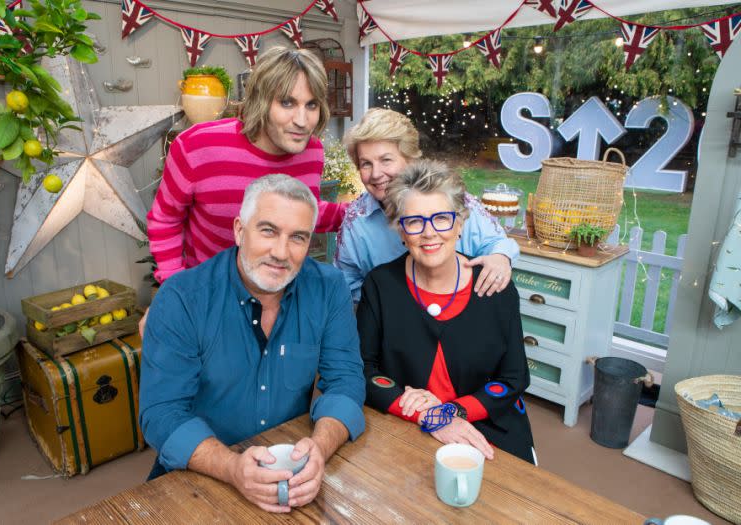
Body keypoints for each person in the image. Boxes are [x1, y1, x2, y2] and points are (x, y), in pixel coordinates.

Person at [140, 175, 366, 513]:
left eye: (298, 237)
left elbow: (346, 381)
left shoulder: (328, 288)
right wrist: (231, 467)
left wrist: (320, 448)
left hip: (291, 472)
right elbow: (161, 412)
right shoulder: (182, 298)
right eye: (268, 231)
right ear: (238, 230)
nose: (280, 253)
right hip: (201, 474)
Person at [356, 160, 535, 464]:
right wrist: (427, 413)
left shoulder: (495, 288)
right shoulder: (380, 285)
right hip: (405, 420)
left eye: (442, 218)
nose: (429, 233)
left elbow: (513, 379)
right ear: (401, 229)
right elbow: (365, 369)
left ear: (460, 223)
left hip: (486, 424)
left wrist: (450, 413)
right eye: (414, 221)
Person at [146, 46, 345, 284]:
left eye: (311, 105)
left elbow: (300, 213)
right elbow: (165, 219)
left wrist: (366, 212)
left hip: (277, 296)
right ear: (260, 101)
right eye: (287, 103)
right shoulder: (196, 146)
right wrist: (174, 289)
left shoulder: (312, 152)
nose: (302, 121)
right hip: (210, 295)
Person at [335, 107, 519, 303]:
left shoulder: (450, 200)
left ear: (410, 159)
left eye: (386, 160)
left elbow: (497, 243)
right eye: (366, 164)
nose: (375, 174)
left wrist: (500, 257)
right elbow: (346, 282)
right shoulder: (357, 220)